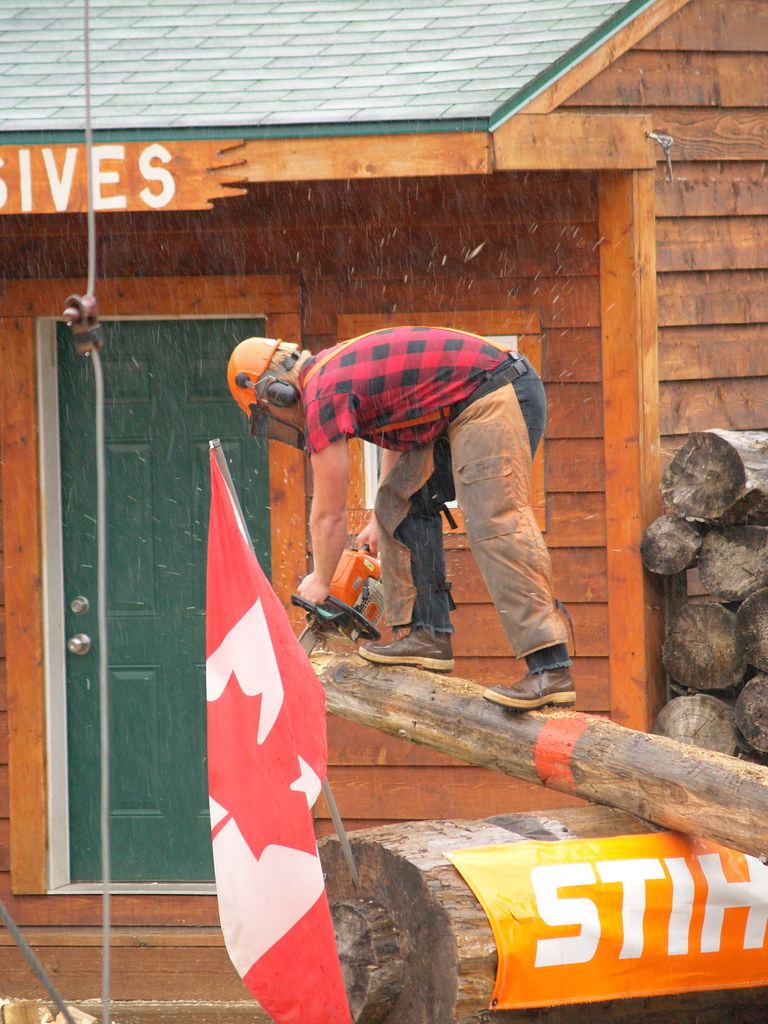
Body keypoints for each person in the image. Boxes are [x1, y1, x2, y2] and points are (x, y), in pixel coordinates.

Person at [227, 326, 574, 710]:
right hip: (463, 404)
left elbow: (329, 515)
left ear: (276, 391)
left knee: (495, 519)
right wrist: (380, 518)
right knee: (398, 504)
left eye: (268, 412)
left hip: (494, 392)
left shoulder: (322, 394)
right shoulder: (334, 375)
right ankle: (427, 635)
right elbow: (400, 435)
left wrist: (322, 580)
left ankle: (550, 668)